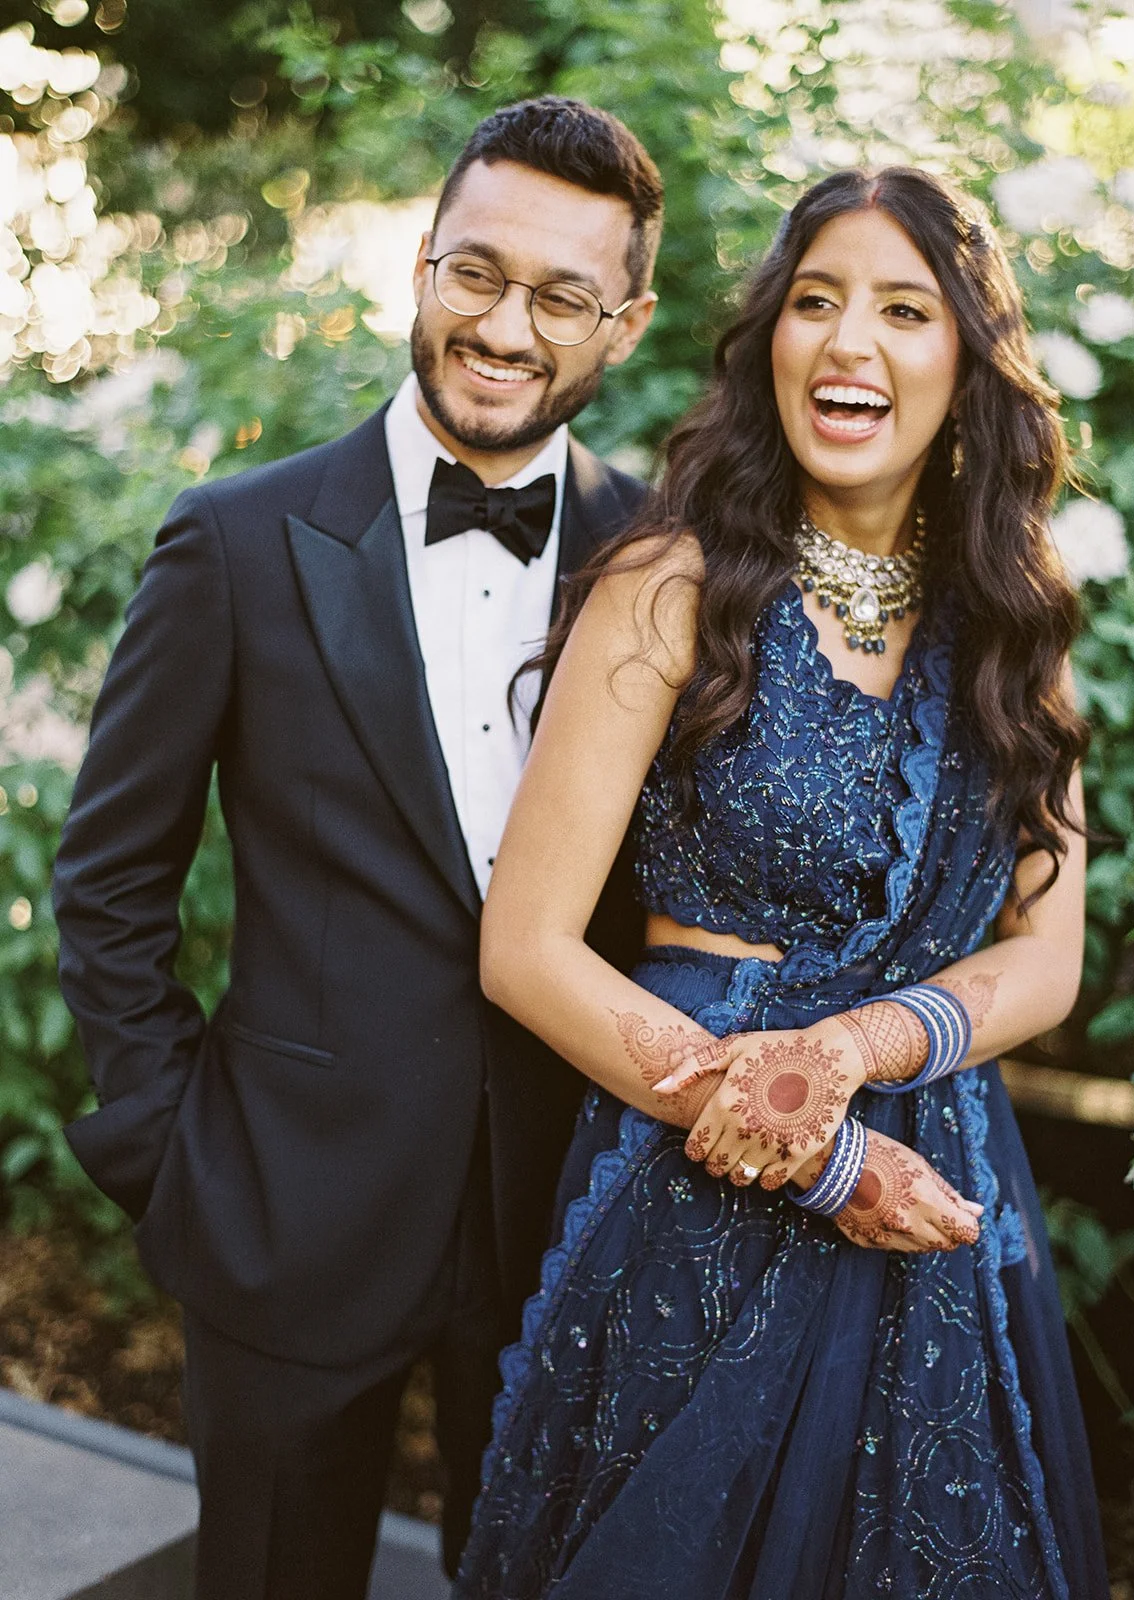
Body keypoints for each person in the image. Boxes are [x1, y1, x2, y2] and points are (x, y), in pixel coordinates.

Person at [456, 167, 1111, 1599]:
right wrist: (807, 1144)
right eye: (813, 303)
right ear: (768, 340)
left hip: (937, 1184)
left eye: (901, 309)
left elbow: (1042, 957)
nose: (847, 344)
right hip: (693, 1194)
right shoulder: (672, 588)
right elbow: (527, 946)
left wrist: (857, 1051)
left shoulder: (1014, 621)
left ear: (966, 362)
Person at [51, 96, 661, 1599]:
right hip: (283, 1212)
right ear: (421, 265)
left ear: (624, 325)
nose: (507, 326)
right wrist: (168, 1148)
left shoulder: (664, 563)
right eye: (477, 272)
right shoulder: (236, 541)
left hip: (564, 1218)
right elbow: (111, 873)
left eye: (562, 295)